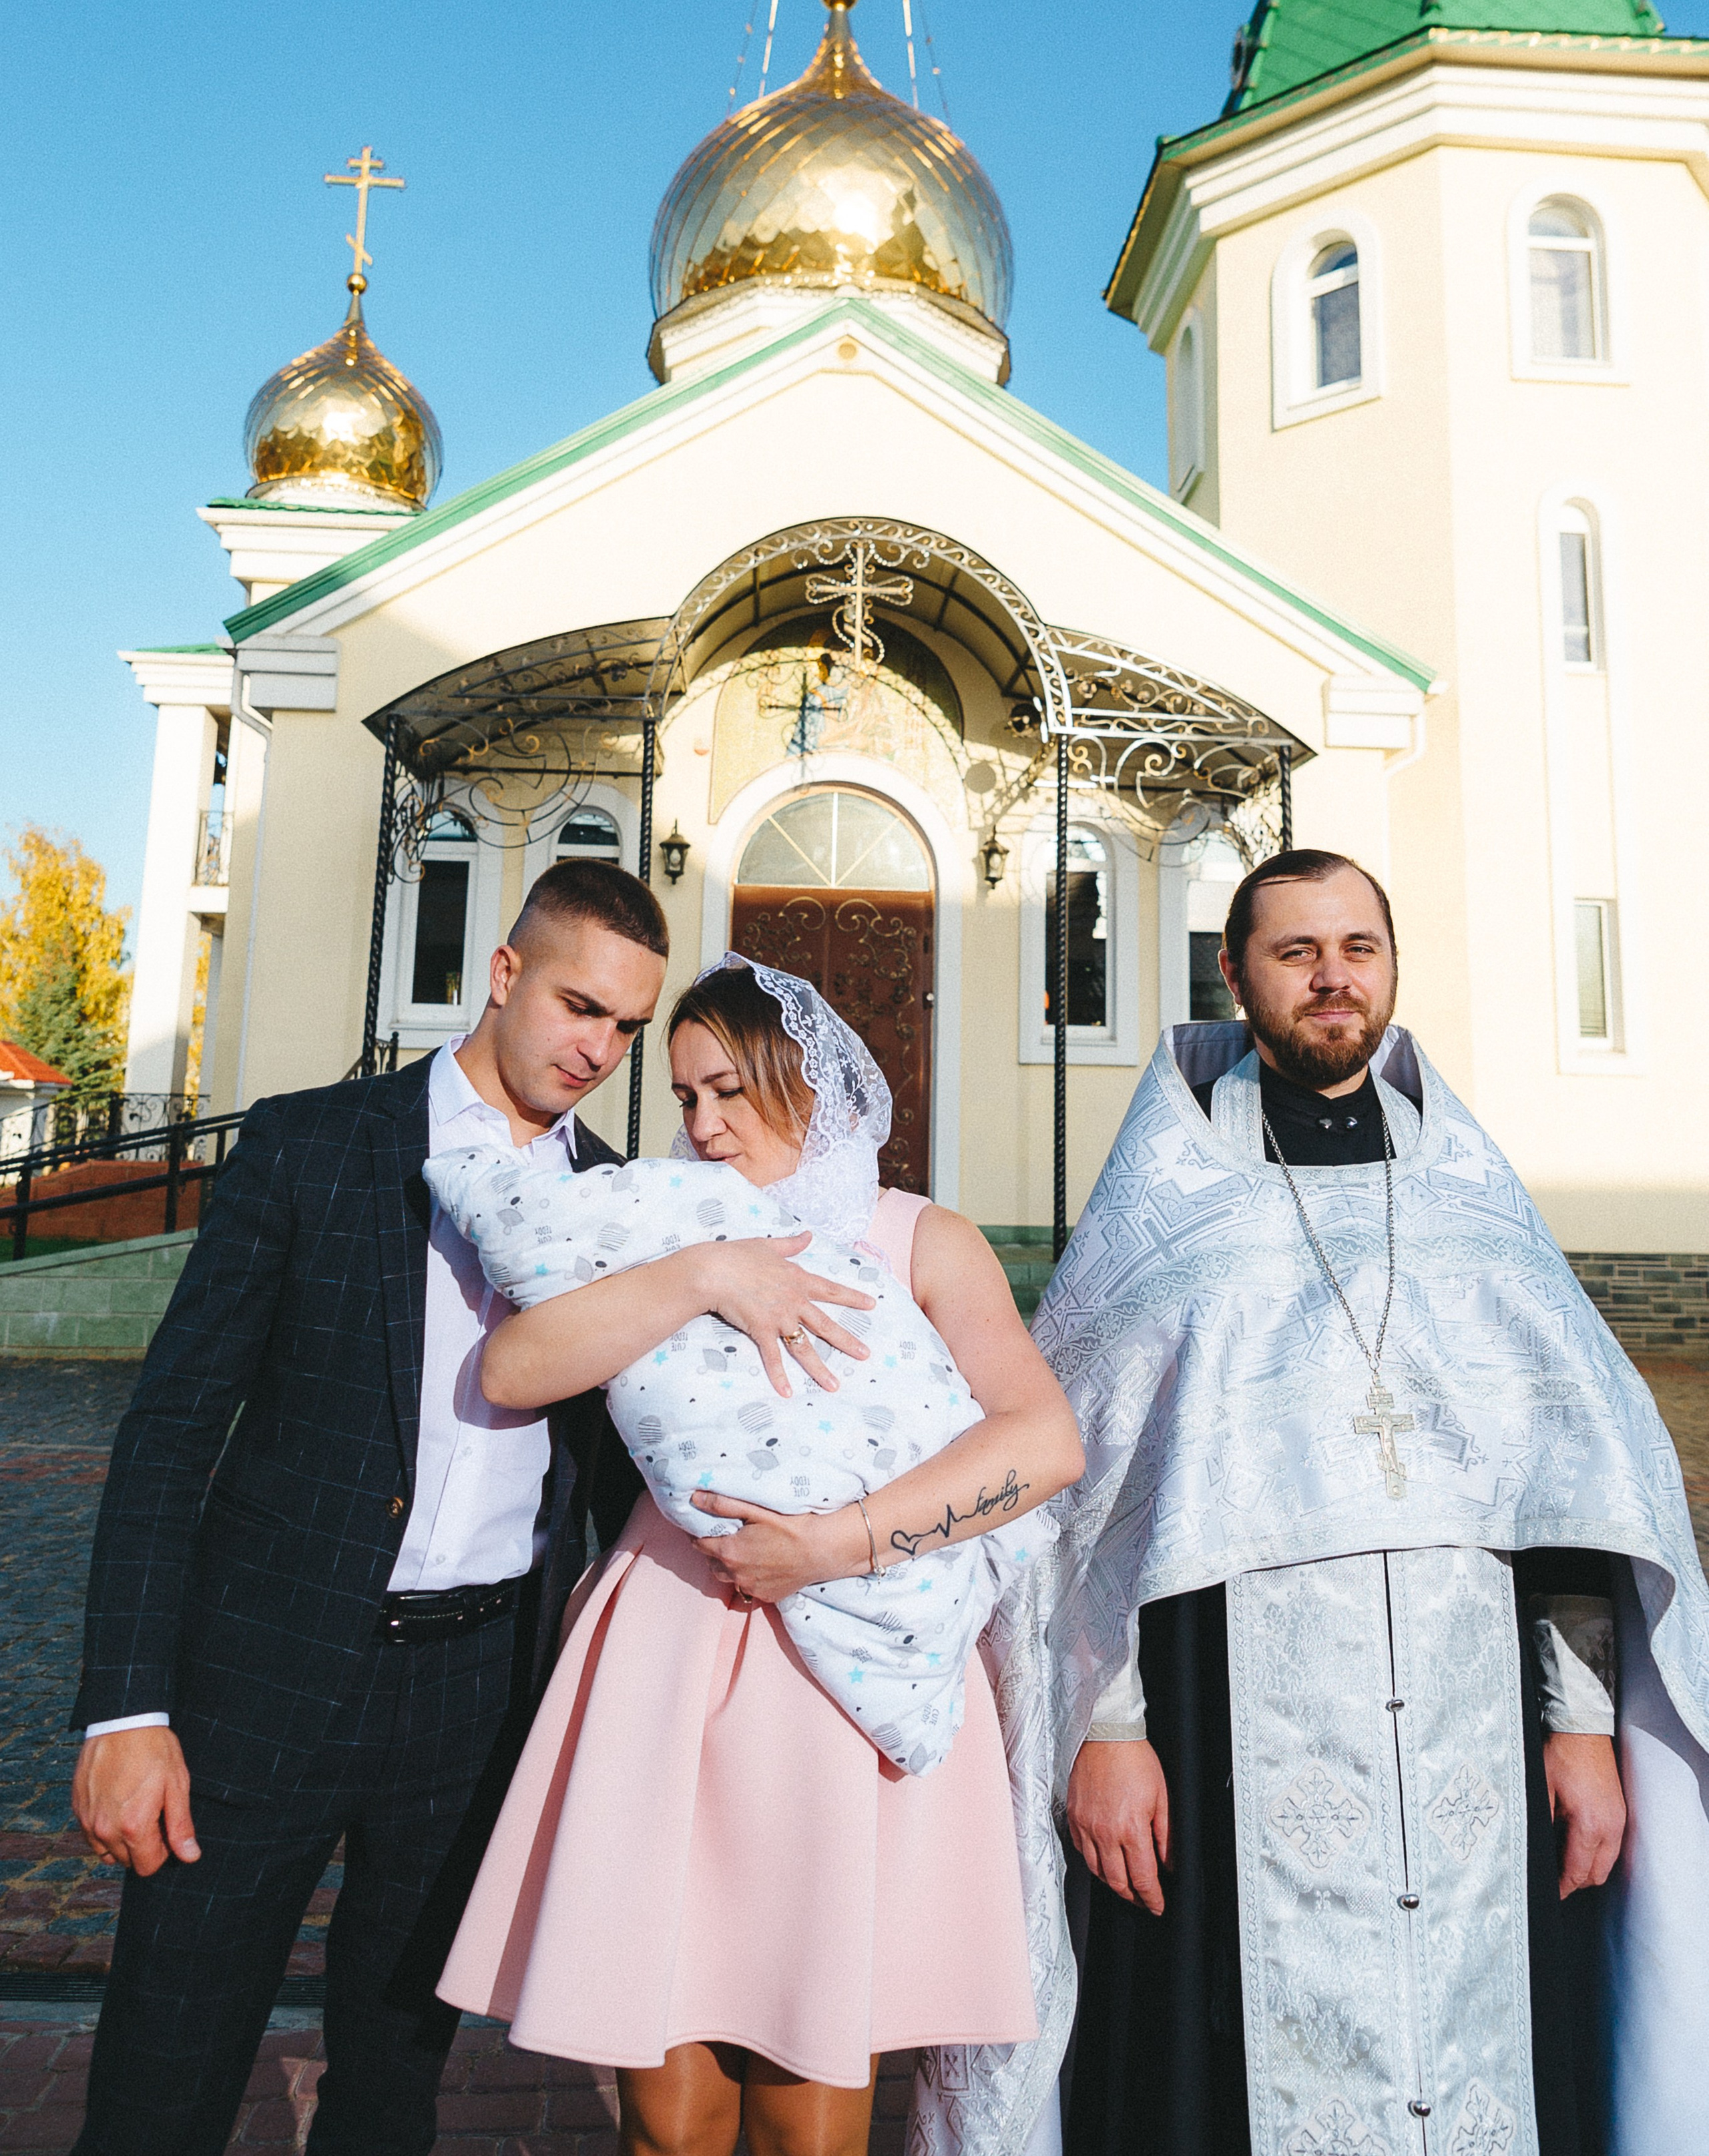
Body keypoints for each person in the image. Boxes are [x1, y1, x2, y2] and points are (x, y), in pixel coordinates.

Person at [927, 850, 1709, 2156]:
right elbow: (1082, 1499)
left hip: (1477, 1735)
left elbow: (1570, 1490)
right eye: (1295, 951)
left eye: (1356, 945)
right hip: (1218, 1725)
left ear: (1391, 965)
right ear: (1231, 974)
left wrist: (1580, 1726)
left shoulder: (1471, 1199)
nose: (1331, 976)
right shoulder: (1166, 1205)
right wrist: (1101, 1730)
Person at [67, 864, 857, 2156]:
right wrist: (127, 1707)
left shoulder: (633, 1202)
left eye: (625, 1029)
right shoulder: (311, 1143)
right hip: (258, 1680)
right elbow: (167, 1432)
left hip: (475, 1694)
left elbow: (632, 1476)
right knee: (169, 2057)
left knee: (393, 2077)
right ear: (503, 975)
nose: (598, 1049)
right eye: (578, 1006)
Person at [435, 955, 1085, 2156]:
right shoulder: (660, 1217)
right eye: (683, 1097)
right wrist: (701, 1274)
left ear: (806, 1078)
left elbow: (1044, 1443)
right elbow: (513, 1371)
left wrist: (840, 1543)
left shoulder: (917, 1238)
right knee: (668, 2110)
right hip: (672, 1654)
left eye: (728, 1090)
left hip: (845, 1690)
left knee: (810, 2093)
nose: (703, 1124)